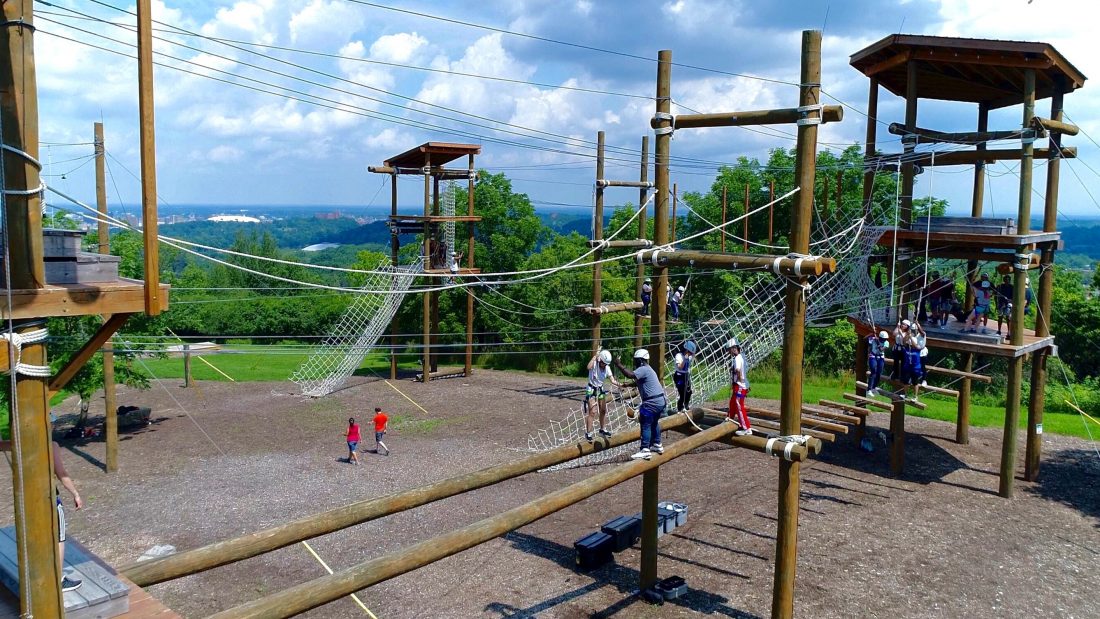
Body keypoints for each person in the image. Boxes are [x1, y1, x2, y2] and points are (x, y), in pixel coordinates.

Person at [613, 349, 668, 460]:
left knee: (645, 422)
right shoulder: (649, 369)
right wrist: (626, 385)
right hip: (660, 401)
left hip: (651, 402)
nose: (635, 363)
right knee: (654, 422)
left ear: (641, 360)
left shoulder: (643, 369)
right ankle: (657, 444)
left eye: (636, 360)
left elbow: (630, 374)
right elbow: (636, 381)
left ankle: (645, 449)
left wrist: (619, 364)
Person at [584, 349, 621, 442]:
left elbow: (612, 380)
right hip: (591, 390)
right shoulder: (595, 364)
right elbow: (588, 367)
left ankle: (602, 429)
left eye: (606, 364)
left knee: (603, 410)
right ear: (600, 360)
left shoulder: (607, 368)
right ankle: (588, 433)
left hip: (600, 390)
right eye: (603, 363)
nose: (604, 365)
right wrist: (594, 357)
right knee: (592, 412)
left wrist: (620, 385)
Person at [727, 339, 752, 435]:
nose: (729, 352)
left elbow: (737, 370)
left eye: (729, 350)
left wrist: (737, 378)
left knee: (739, 405)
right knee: (733, 402)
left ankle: (746, 428)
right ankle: (730, 419)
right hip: (741, 385)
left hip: (740, 386)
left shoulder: (737, 358)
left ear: (734, 348)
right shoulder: (742, 356)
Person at [673, 340, 696, 412]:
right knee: (682, 393)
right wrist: (684, 359)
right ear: (686, 350)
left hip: (686, 375)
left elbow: (694, 355)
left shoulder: (689, 356)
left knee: (689, 392)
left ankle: (686, 406)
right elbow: (680, 367)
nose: (690, 354)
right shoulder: (679, 356)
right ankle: (680, 408)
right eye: (689, 352)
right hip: (679, 376)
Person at [866, 329, 889, 397]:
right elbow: (865, 339)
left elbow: (882, 349)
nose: (884, 340)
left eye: (885, 339)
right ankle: (869, 389)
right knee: (873, 371)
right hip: (873, 356)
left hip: (881, 357)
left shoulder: (886, 342)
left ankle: (874, 387)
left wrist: (878, 342)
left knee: (879, 373)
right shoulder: (873, 339)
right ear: (880, 337)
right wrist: (871, 334)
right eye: (883, 339)